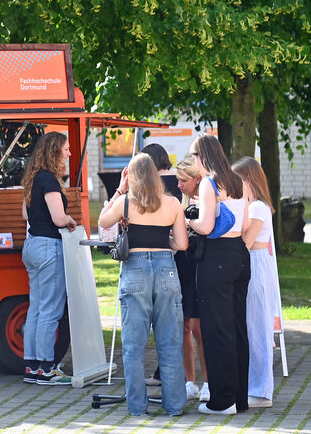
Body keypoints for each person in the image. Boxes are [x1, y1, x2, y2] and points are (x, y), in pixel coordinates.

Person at [100, 153, 188, 416]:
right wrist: (163, 246)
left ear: (132, 176)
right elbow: (182, 244)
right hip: (165, 270)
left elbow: (103, 221)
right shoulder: (173, 203)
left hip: (135, 268)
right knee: (170, 343)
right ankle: (174, 406)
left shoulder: (126, 203)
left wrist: (119, 188)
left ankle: (138, 407)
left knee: (134, 345)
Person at [187, 134, 250, 415]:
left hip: (217, 257)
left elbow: (206, 224)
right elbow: (245, 222)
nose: (193, 162)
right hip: (239, 254)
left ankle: (223, 401)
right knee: (237, 326)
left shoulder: (208, 183)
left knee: (216, 328)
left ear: (203, 156)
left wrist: (188, 218)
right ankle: (240, 398)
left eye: (193, 156)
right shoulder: (238, 181)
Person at [136, 143, 200, 398]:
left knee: (173, 321)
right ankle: (187, 378)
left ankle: (176, 376)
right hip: (184, 257)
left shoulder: (151, 188)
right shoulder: (179, 184)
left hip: (164, 258)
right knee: (186, 321)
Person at [20, 131, 76, 386]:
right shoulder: (50, 181)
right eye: (65, 149)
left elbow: (25, 215)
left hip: (31, 245)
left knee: (36, 307)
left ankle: (32, 366)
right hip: (48, 246)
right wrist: (71, 220)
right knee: (50, 310)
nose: (69, 153)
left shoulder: (33, 179)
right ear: (54, 151)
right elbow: (58, 218)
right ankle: (45, 368)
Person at [232, 157, 281, 409]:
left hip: (256, 265)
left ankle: (262, 390)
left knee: (258, 328)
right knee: (250, 327)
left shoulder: (258, 207)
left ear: (247, 181)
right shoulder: (253, 206)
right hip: (251, 263)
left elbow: (246, 241)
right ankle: (253, 385)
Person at [173, 155, 209, 399]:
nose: (179, 184)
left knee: (199, 328)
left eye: (183, 180)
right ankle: (190, 381)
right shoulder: (181, 203)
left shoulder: (207, 201)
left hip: (199, 268)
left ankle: (208, 380)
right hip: (182, 267)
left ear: (197, 179)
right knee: (184, 326)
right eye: (177, 179)